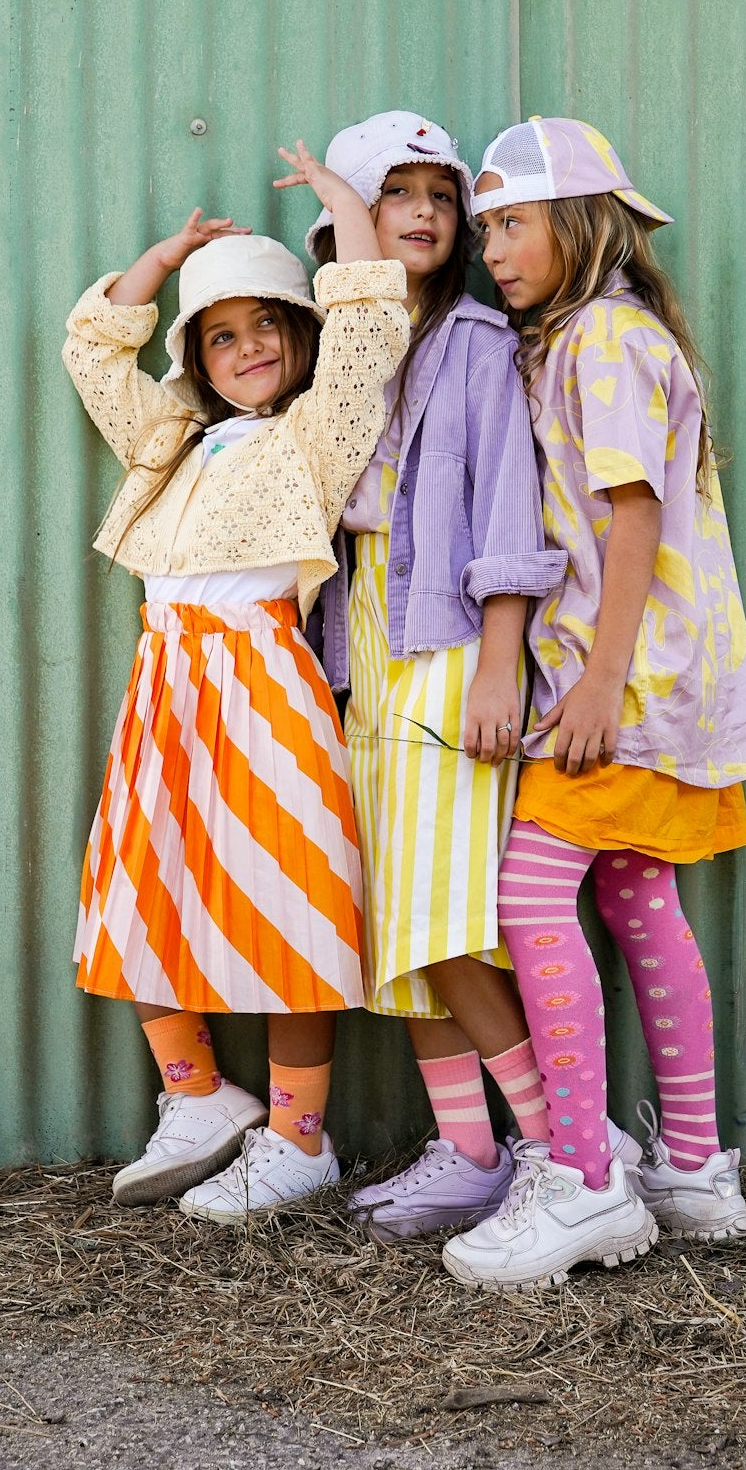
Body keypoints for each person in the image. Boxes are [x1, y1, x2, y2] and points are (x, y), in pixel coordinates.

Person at [442, 117, 746, 1290]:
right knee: (635, 894)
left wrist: (597, 679)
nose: (493, 251)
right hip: (656, 676)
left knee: (531, 897)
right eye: (486, 230)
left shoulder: (608, 341)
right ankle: (691, 1167)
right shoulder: (591, 336)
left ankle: (582, 1178)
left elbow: (634, 516)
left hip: (625, 678)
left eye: (514, 225)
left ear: (581, 224)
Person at [63, 190, 408, 1221]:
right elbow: (93, 355)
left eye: (267, 324)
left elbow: (370, 326)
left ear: (300, 333)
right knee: (140, 885)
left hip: (261, 679)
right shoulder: (171, 439)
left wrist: (347, 207)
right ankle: (199, 1094)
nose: (248, 346)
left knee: (290, 893)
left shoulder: (315, 434)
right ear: (197, 360)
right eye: (221, 335)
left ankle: (300, 1138)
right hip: (164, 681)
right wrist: (164, 259)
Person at [284, 111, 567, 1240]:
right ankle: (471, 1154)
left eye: (440, 196)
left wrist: (499, 666)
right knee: (403, 927)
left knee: (447, 922)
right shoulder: (340, 356)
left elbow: (509, 513)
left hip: (450, 645)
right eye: (394, 193)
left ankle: (560, 1154)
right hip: (365, 643)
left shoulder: (480, 345)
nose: (424, 213)